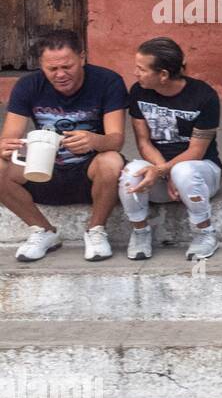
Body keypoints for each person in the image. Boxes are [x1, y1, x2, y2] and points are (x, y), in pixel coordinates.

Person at [0, 29, 127, 262]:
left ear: (82, 57)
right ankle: (43, 231)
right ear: (41, 65)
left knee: (111, 160)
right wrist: (7, 146)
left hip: (90, 172)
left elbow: (116, 139)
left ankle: (96, 230)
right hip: (44, 170)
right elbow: (10, 137)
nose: (60, 74)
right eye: (52, 69)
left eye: (67, 66)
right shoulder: (28, 86)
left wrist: (94, 140)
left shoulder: (108, 81)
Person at [118, 37, 222, 261]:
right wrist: (161, 170)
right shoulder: (139, 92)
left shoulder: (204, 97)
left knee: (183, 171)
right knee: (130, 173)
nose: (136, 73)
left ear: (163, 75)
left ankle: (205, 233)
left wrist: (167, 171)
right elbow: (143, 142)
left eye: (141, 69)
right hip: (160, 172)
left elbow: (197, 151)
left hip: (200, 173)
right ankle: (140, 232)